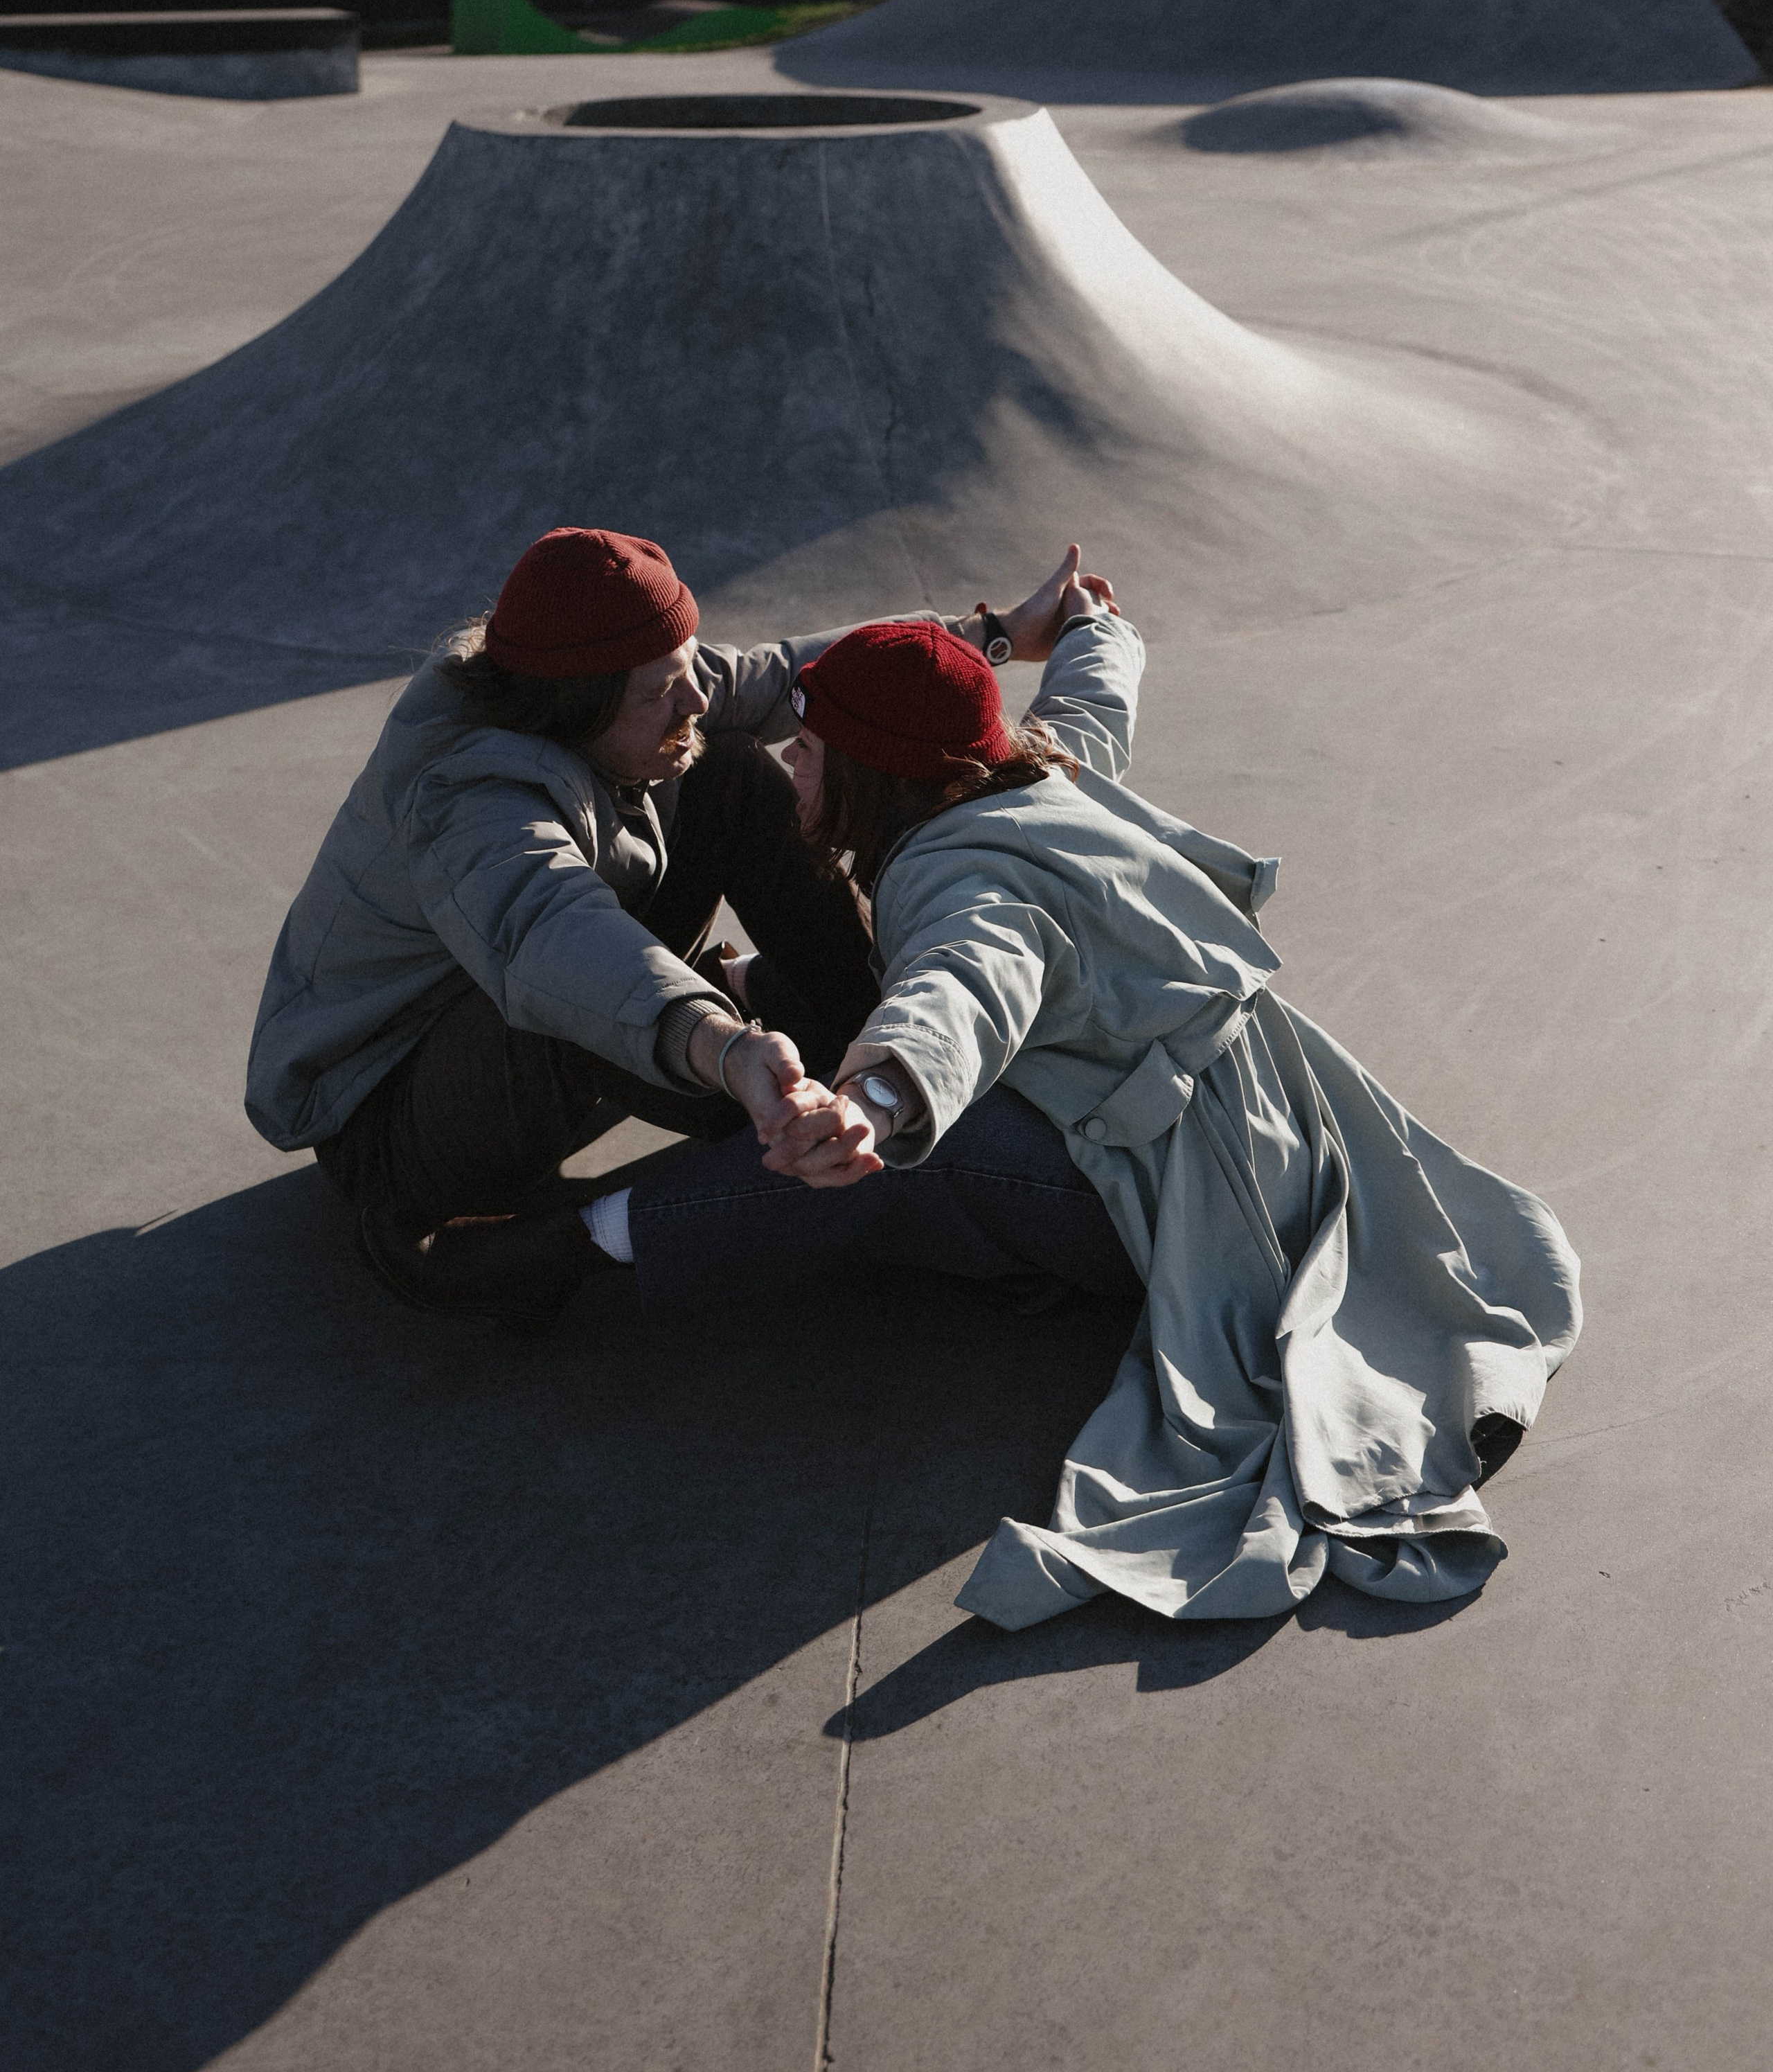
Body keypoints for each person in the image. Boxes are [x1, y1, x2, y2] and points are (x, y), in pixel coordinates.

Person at [567, 581, 1583, 1632]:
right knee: (865, 1039)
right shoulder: (1039, 773)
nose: (791, 762)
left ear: (879, 776)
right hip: (1267, 1127)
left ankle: (584, 1243)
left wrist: (873, 1101)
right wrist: (1095, 624)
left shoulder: (966, 885)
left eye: (813, 751)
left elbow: (962, 988)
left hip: (1181, 1201)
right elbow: (1096, 701)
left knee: (901, 1165)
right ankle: (745, 1009)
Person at [244, 522, 1110, 1325]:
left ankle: (863, 1034)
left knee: (726, 767)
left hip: (514, 1012)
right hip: (394, 1117)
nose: (697, 694)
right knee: (576, 989)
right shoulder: (468, 797)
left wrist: (992, 637)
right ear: (578, 708)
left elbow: (775, 679)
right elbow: (554, 936)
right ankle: (747, 1134)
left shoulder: (600, 682)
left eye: (691, 664)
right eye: (666, 689)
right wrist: (723, 1046)